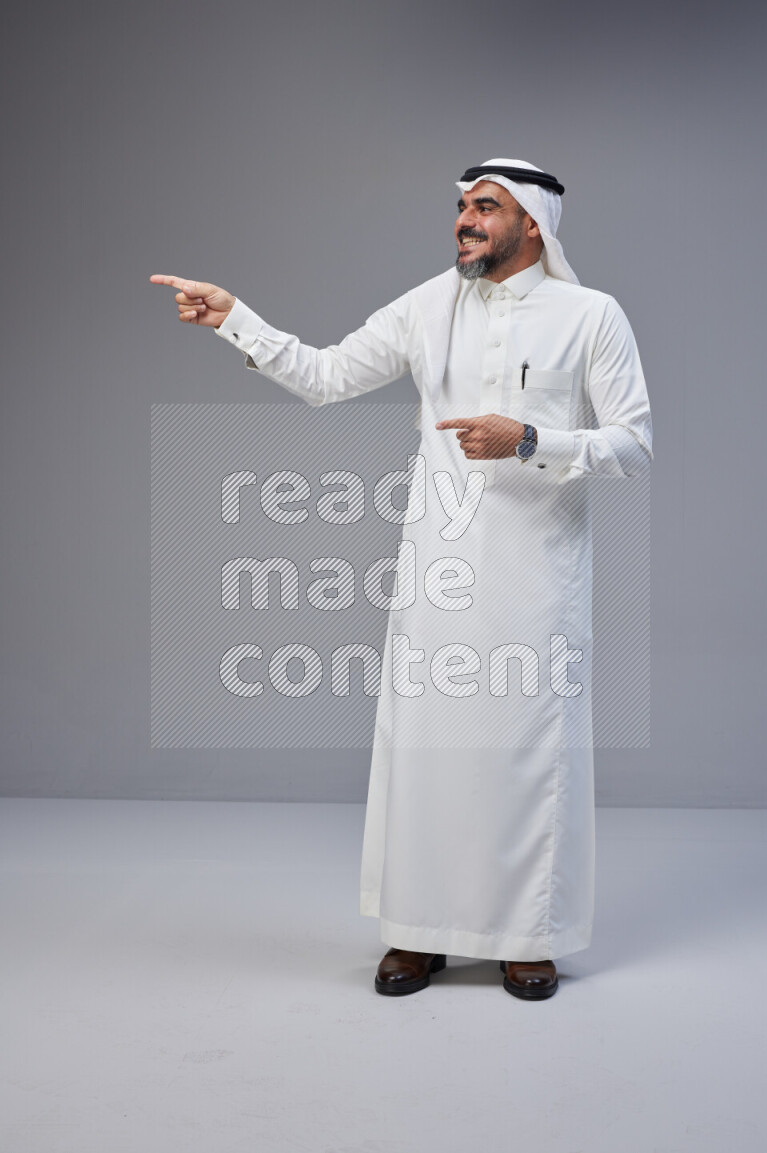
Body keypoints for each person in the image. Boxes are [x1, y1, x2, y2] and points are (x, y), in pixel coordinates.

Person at [151, 157, 653, 1001]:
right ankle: (416, 935)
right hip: (438, 577)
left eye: (485, 207)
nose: (465, 219)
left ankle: (528, 936)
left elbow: (634, 445)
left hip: (539, 583)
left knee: (528, 757)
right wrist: (236, 319)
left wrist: (531, 440)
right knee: (425, 755)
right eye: (461, 206)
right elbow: (324, 375)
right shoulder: (429, 305)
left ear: (533, 224)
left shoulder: (591, 317)